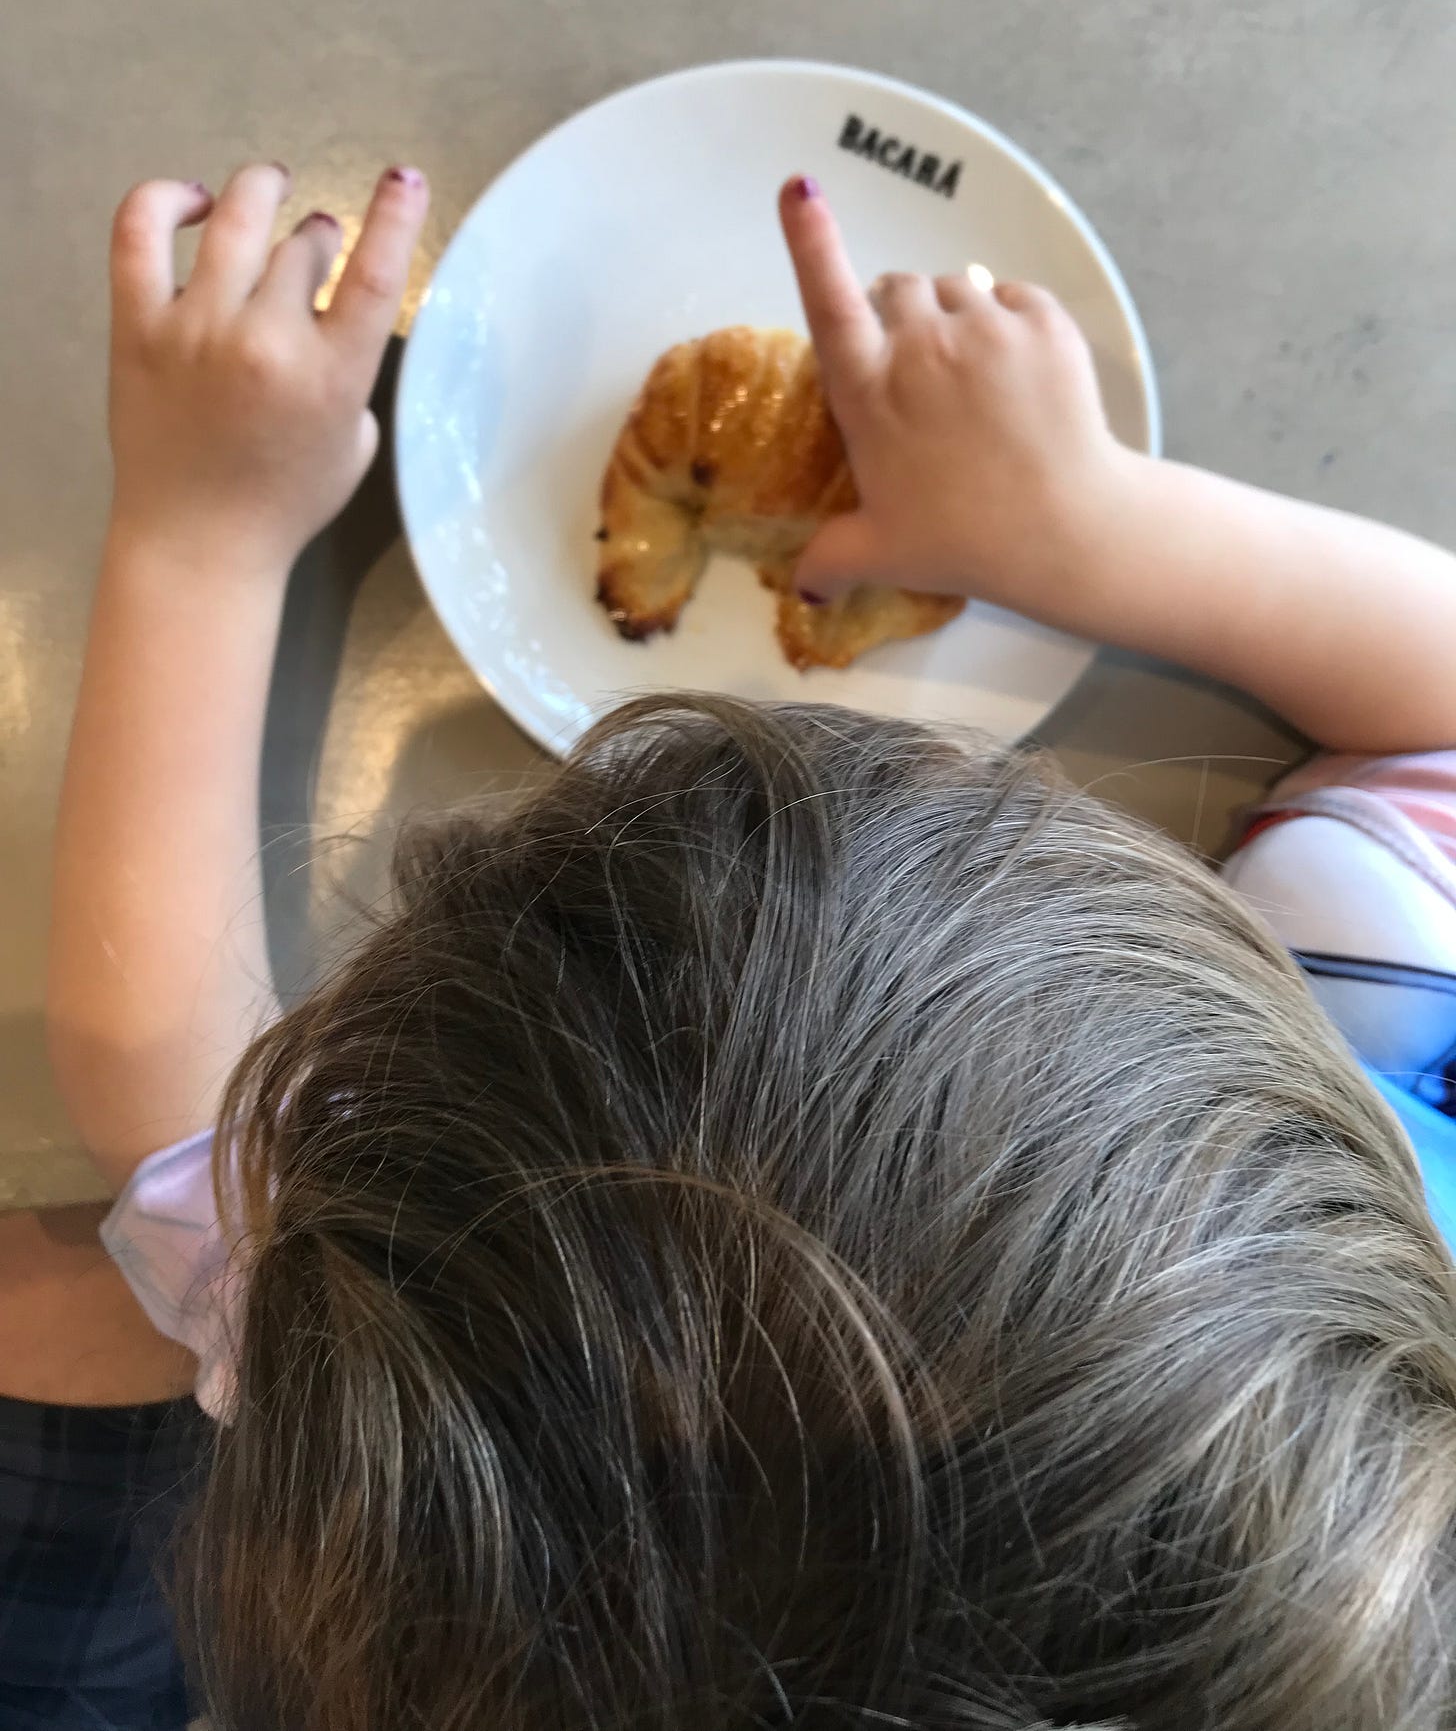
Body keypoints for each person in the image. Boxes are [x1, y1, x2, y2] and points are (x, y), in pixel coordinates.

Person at [16, 157, 1456, 1729]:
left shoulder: (417, 1429)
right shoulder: (1382, 1046)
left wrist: (198, 536)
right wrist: (1091, 524)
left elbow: (158, 1090)